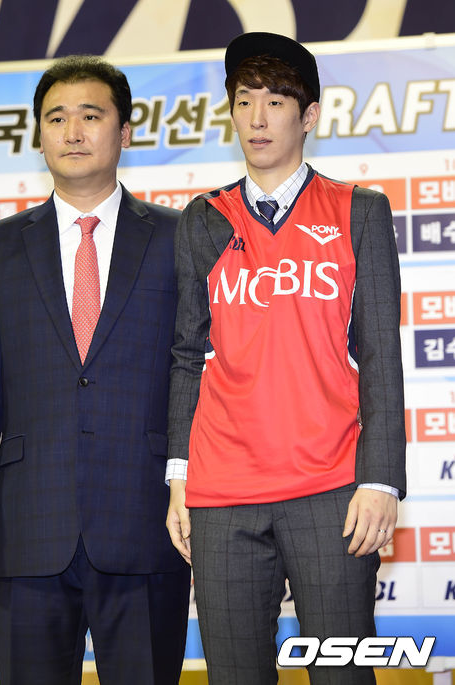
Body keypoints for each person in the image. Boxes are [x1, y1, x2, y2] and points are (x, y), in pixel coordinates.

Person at [166, 32, 406, 685]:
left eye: (275, 101)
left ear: (310, 115)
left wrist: (381, 480)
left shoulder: (358, 211)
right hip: (222, 493)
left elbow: (381, 354)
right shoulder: (204, 218)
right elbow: (187, 354)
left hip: (331, 488)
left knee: (342, 673)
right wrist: (180, 477)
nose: (258, 117)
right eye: (244, 101)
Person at [0, 55, 190, 685]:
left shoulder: (179, 238)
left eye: (90, 116)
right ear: (39, 136)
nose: (73, 132)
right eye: (56, 119)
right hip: (27, 529)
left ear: (125, 131)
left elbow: (198, 377)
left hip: (146, 524)